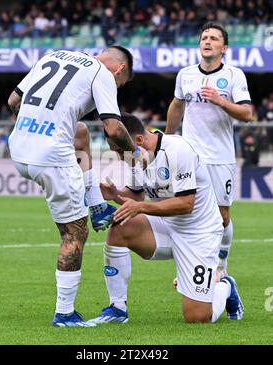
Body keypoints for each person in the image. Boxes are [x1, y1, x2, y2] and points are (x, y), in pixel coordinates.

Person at [7, 46, 139, 327]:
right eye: (121, 84)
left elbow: (12, 101)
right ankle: (64, 313)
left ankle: (97, 205)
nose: (117, 86)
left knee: (79, 132)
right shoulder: (102, 73)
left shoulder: (52, 55)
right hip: (51, 157)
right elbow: (114, 129)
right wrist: (136, 156)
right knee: (75, 233)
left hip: (19, 147)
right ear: (120, 70)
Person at [88, 113, 244, 325]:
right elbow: (136, 195)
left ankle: (225, 286)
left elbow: (185, 204)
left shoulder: (177, 150)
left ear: (139, 141)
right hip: (166, 227)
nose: (117, 156)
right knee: (119, 227)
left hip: (199, 234)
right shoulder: (137, 157)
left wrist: (141, 207)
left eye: (118, 151)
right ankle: (117, 308)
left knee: (197, 318)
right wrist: (115, 195)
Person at [166, 22, 252, 276]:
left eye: (214, 38)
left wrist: (220, 100)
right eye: (204, 37)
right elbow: (177, 106)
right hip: (190, 156)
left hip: (219, 156)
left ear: (224, 48)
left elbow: (247, 113)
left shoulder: (234, 75)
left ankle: (221, 265)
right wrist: (168, 141)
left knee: (221, 215)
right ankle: (197, 266)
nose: (208, 41)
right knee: (187, 211)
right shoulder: (186, 74)